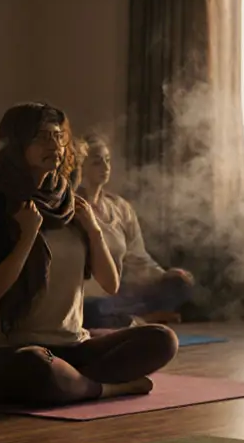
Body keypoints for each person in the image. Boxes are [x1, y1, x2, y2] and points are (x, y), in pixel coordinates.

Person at [0, 103, 178, 406]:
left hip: (73, 347)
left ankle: (74, 383)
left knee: (161, 339)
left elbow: (110, 284)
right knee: (36, 366)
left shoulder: (70, 205)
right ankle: (105, 388)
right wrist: (27, 237)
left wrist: (93, 229)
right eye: (41, 137)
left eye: (58, 137)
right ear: (16, 144)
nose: (55, 145)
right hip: (6, 351)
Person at [74, 132, 194, 328]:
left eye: (107, 160)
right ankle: (138, 320)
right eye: (97, 162)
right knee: (92, 311)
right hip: (86, 298)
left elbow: (138, 257)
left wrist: (164, 275)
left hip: (118, 297)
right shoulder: (71, 207)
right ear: (79, 166)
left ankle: (129, 318)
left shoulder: (120, 207)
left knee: (180, 284)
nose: (105, 167)